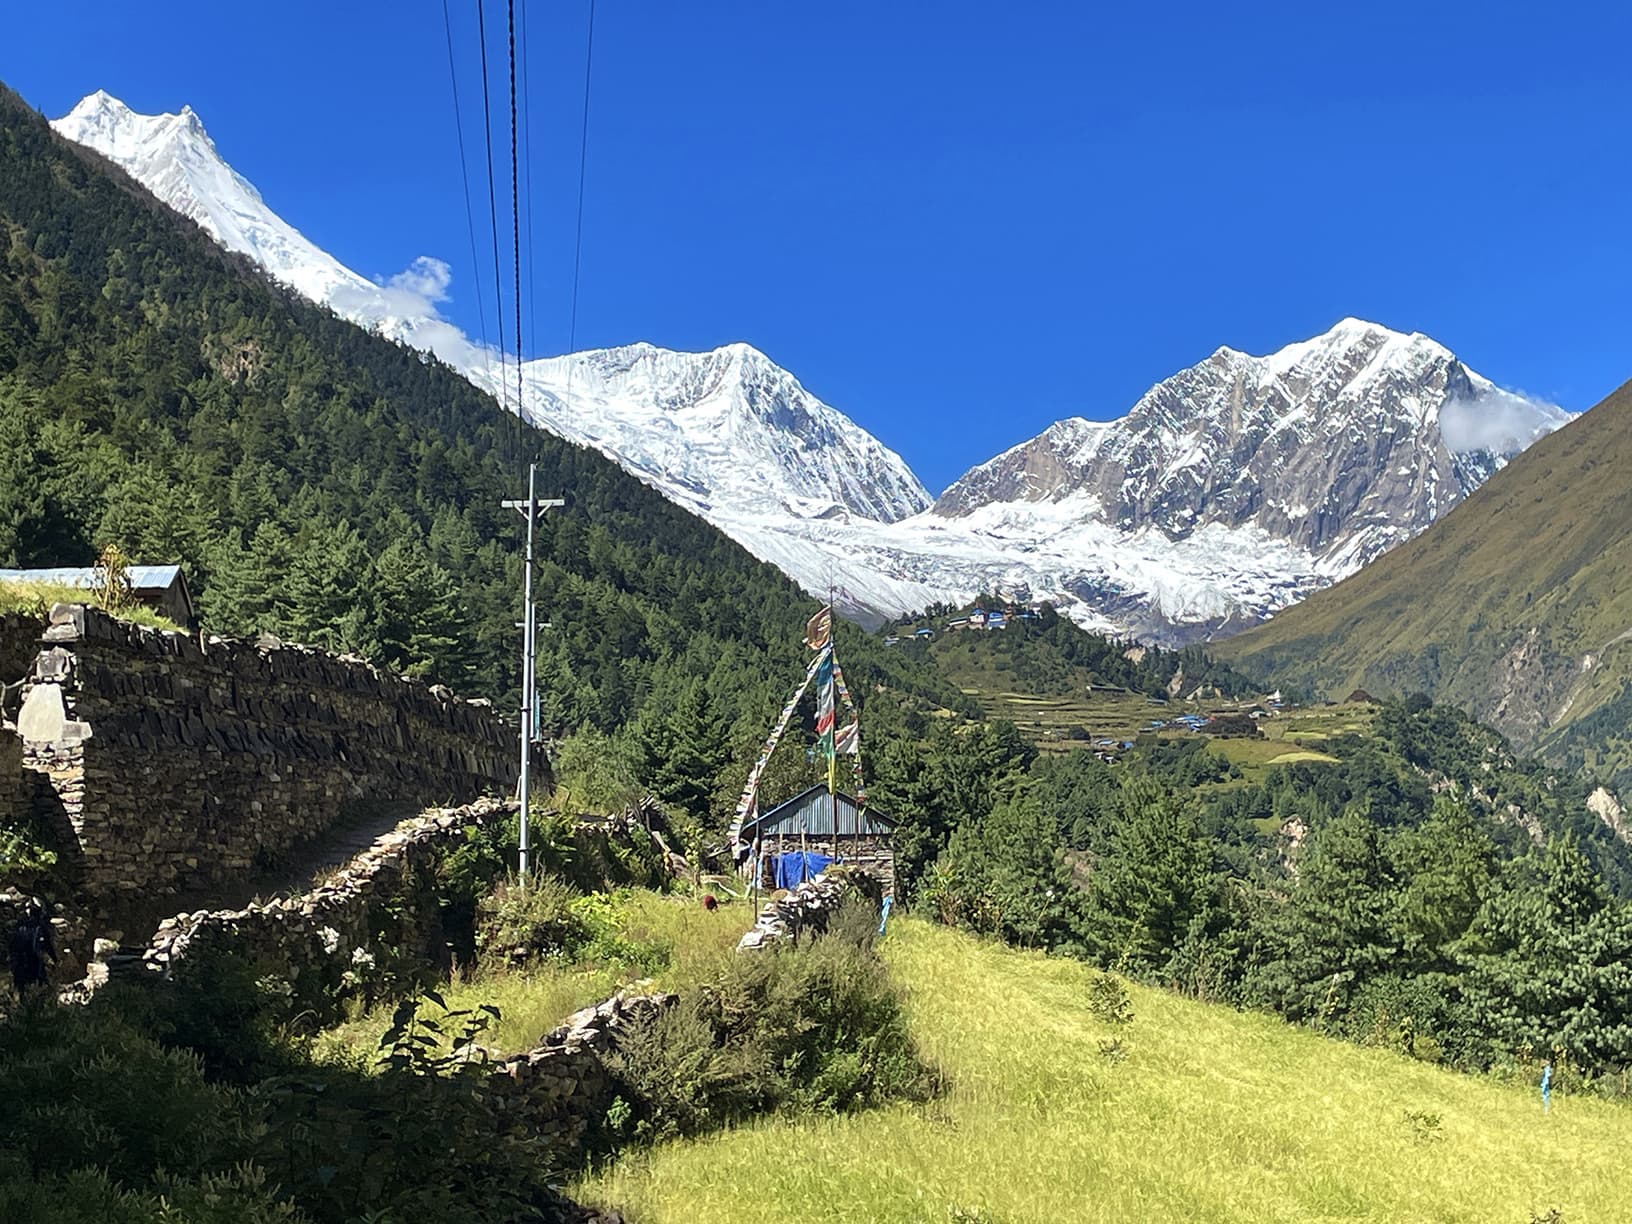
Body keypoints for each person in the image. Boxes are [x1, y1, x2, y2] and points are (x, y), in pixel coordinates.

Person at [9, 898, 55, 996]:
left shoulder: (20, 926)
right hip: (33, 959)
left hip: (20, 960)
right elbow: (48, 945)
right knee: (38, 982)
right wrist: (54, 958)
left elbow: (12, 944)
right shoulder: (40, 927)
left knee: (22, 986)